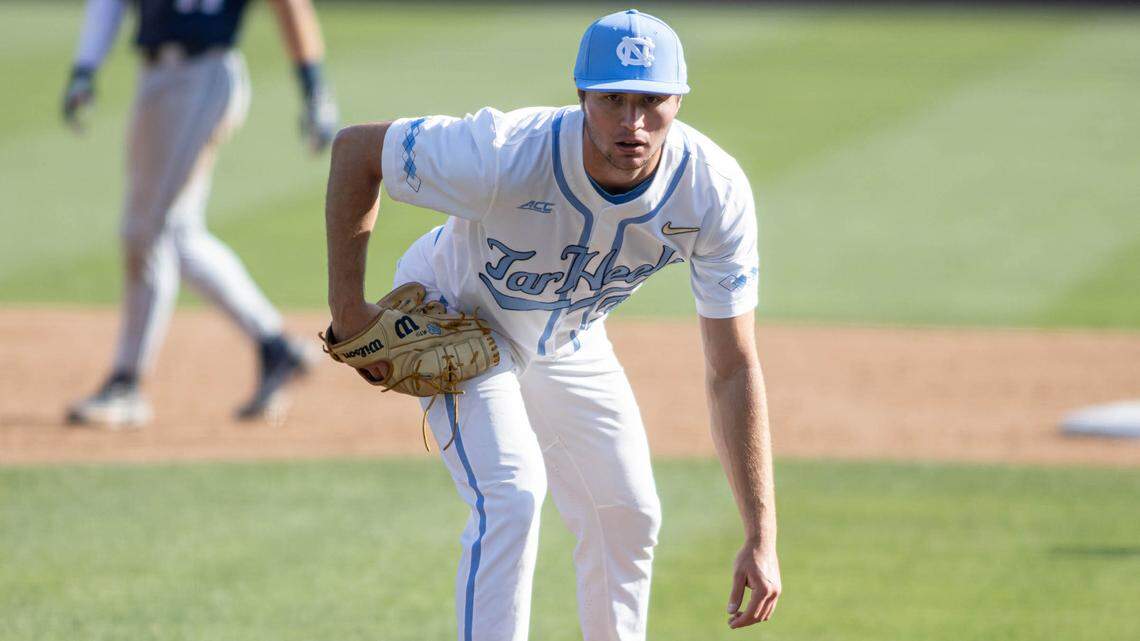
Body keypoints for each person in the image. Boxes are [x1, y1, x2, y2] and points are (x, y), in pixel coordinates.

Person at [324, 9, 780, 641]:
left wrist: (761, 534)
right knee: (511, 493)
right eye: (611, 99)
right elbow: (355, 151)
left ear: (678, 99)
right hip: (462, 317)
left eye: (650, 101)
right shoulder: (504, 152)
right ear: (580, 96)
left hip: (569, 334)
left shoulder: (712, 192)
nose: (632, 122)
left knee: (628, 513)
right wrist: (349, 312)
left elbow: (732, 366)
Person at [62, 0, 338, 426]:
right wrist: (85, 64)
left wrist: (313, 85)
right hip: (154, 77)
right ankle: (274, 346)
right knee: (179, 235)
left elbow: (289, 4)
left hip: (204, 74)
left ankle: (126, 383)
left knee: (147, 231)